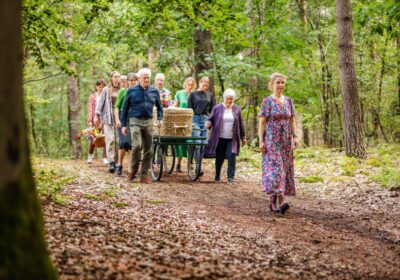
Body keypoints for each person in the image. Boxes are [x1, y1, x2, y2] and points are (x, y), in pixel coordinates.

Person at [258, 73, 298, 214]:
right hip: (272, 139)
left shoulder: (288, 101)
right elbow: (262, 122)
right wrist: (261, 140)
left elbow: (292, 120)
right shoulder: (267, 101)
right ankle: (281, 200)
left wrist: (295, 137)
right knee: (277, 169)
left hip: (286, 140)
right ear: (272, 85)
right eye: (278, 83)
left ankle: (272, 201)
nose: (280, 85)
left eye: (282, 82)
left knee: (284, 169)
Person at [121, 68, 163, 184]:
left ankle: (144, 175)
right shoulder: (131, 91)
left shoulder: (154, 91)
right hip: (135, 121)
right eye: (144, 77)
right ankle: (133, 172)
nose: (146, 79)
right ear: (139, 79)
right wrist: (123, 125)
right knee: (136, 146)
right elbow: (124, 109)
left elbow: (160, 108)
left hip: (149, 121)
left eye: (148, 78)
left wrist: (160, 119)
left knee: (149, 150)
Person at [205, 89, 246, 184]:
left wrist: (243, 137)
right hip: (219, 137)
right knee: (220, 157)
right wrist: (208, 123)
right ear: (224, 98)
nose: (229, 101)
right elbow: (210, 119)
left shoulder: (237, 109)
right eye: (227, 99)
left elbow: (240, 123)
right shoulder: (217, 108)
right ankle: (217, 174)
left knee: (232, 156)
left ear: (233, 99)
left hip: (232, 138)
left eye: (231, 99)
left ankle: (230, 178)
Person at [95, 71, 120, 173]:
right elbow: (100, 103)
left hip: (119, 118)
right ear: (111, 78)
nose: (117, 78)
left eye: (118, 76)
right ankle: (111, 162)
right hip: (108, 118)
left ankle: (118, 162)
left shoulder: (122, 90)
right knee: (110, 140)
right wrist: (97, 116)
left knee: (119, 141)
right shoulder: (106, 90)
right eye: (115, 76)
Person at [114, 73, 138, 176]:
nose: (132, 82)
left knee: (132, 145)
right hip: (123, 118)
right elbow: (117, 107)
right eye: (131, 80)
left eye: (134, 80)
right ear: (127, 81)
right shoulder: (123, 92)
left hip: (134, 119)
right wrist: (117, 120)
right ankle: (119, 164)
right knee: (123, 143)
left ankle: (130, 169)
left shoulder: (139, 92)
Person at [173, 77, 196, 172]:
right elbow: (175, 106)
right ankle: (178, 164)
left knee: (190, 142)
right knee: (180, 143)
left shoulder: (195, 95)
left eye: (192, 85)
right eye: (188, 84)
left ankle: (190, 163)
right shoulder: (179, 93)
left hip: (191, 121)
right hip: (180, 121)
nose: (190, 87)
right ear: (185, 84)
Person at [188, 76, 214, 144]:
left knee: (204, 142)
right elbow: (189, 108)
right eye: (203, 85)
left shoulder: (210, 95)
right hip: (195, 119)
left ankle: (201, 155)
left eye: (207, 86)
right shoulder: (193, 94)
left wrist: (210, 121)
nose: (205, 87)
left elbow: (212, 110)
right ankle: (196, 155)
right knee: (197, 141)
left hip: (205, 119)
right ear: (200, 83)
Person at [87, 79, 107, 165]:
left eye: (103, 87)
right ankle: (90, 156)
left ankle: (105, 157)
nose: (101, 88)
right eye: (99, 86)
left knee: (106, 138)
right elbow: (91, 109)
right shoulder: (93, 96)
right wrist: (90, 120)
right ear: (96, 87)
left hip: (105, 119)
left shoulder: (106, 96)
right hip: (95, 119)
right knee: (94, 138)